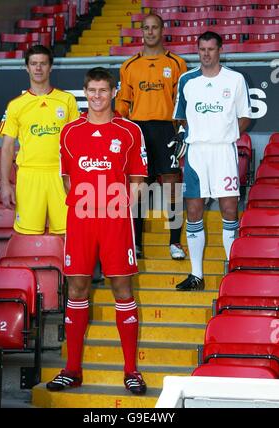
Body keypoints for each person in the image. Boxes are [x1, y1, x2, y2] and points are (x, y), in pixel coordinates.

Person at [46, 67, 148, 395]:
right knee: (76, 288)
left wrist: (122, 210)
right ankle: (72, 369)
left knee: (122, 288)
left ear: (114, 92)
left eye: (103, 91)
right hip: (81, 219)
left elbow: (138, 179)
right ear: (85, 92)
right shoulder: (69, 132)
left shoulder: (130, 131)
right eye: (92, 91)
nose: (97, 97)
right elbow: (67, 178)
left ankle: (131, 370)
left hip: (116, 219)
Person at [172, 31, 252, 291]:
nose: (206, 53)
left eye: (211, 49)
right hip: (196, 154)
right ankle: (197, 275)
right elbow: (180, 116)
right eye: (202, 49)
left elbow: (245, 116)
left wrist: (227, 135)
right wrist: (186, 134)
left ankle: (233, 271)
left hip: (223, 152)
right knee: (194, 211)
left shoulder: (235, 79)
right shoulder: (187, 80)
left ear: (220, 50)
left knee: (229, 209)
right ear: (198, 50)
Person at [115, 13, 187, 260]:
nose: (150, 32)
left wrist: (181, 131)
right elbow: (122, 104)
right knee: (138, 190)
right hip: (139, 132)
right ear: (142, 32)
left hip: (167, 130)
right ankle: (135, 244)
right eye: (146, 28)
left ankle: (175, 243)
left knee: (172, 188)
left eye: (154, 27)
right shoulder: (129, 65)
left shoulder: (177, 63)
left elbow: (182, 103)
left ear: (162, 29)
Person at [0, 44, 79, 234]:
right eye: (34, 64)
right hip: (29, 175)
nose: (38, 68)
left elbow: (77, 143)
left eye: (43, 63)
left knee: (67, 233)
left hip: (62, 175)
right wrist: (4, 184)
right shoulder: (16, 105)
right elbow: (7, 147)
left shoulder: (67, 101)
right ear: (27, 68)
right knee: (26, 234)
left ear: (50, 67)